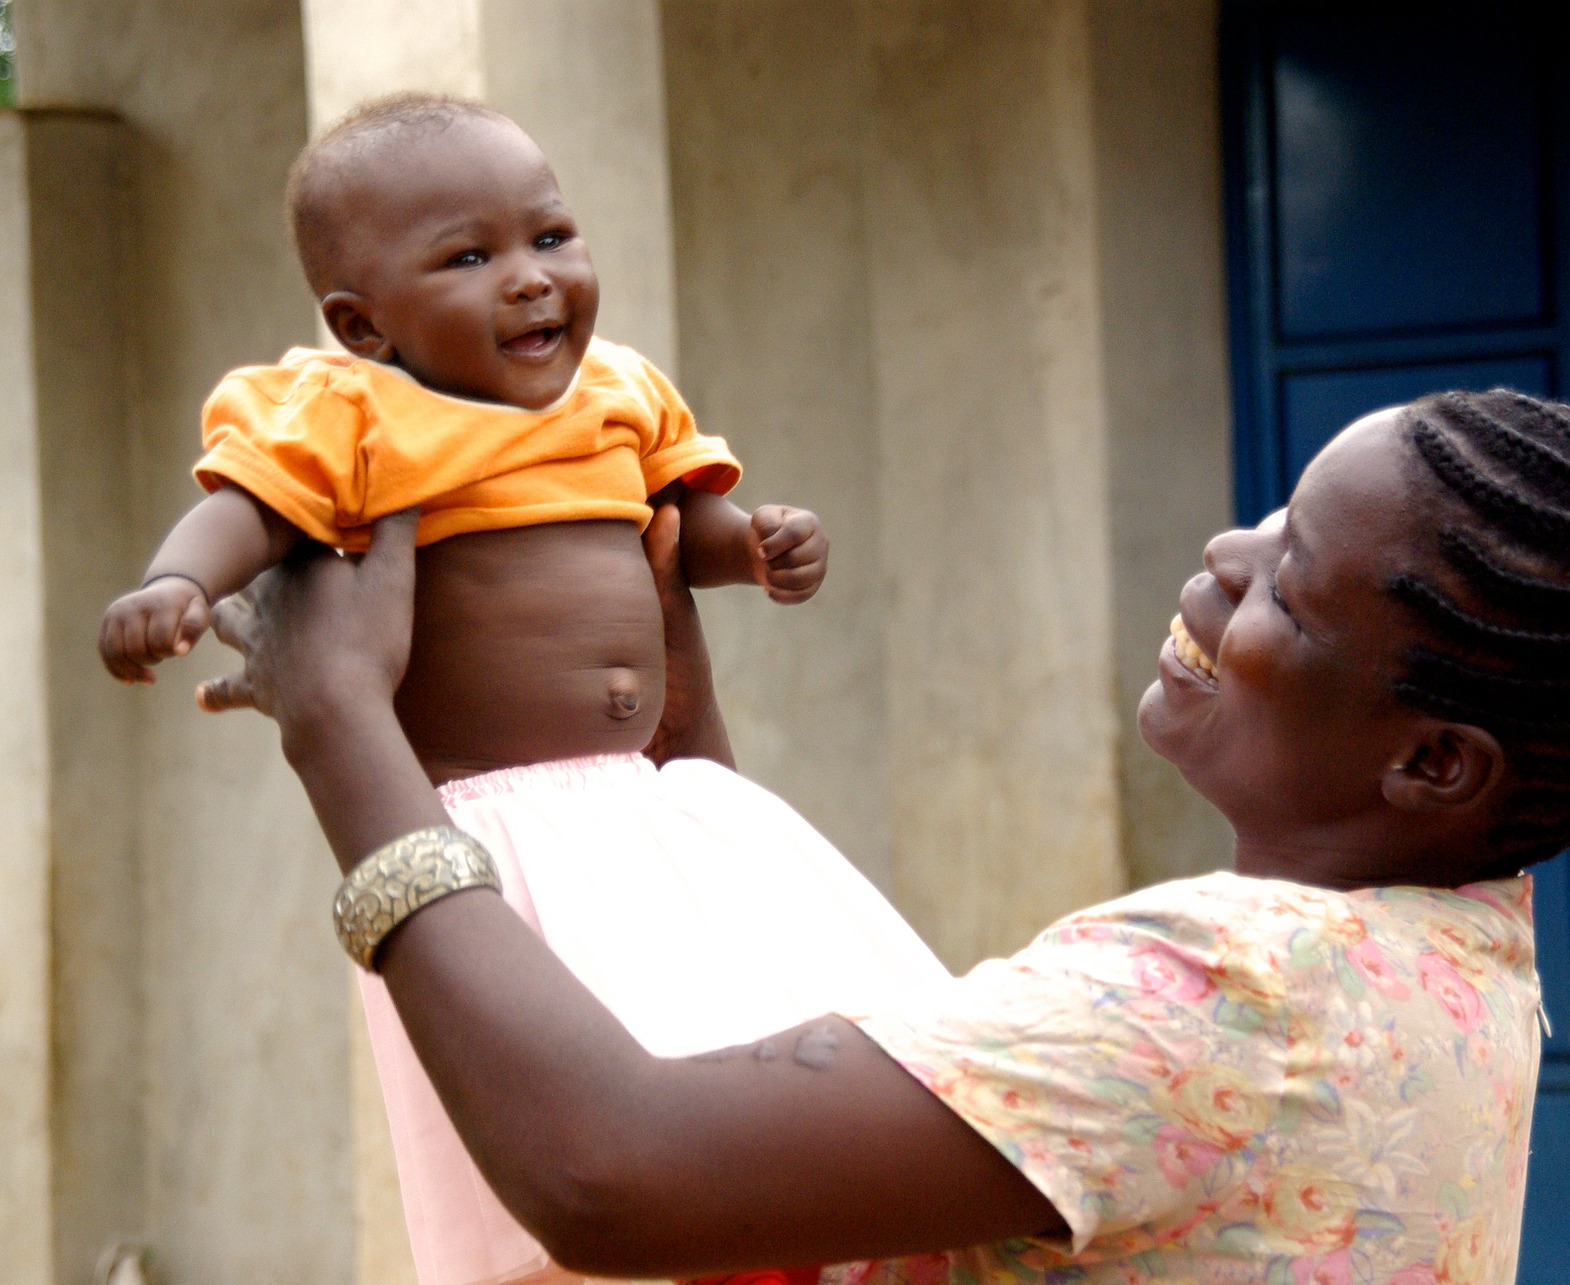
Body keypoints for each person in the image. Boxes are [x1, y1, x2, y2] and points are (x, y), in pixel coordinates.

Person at [201, 389, 1570, 1284]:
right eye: (1269, 514)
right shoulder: (1458, 964)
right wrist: (667, 715)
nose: (1221, 557)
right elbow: (775, 1084)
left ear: (1436, 761)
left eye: (1287, 583)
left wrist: (340, 720)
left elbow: (616, 1168)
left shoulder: (1225, 995)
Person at [96, 93, 947, 1285]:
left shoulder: (620, 390)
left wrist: (753, 542)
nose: (531, 279)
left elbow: (676, 525)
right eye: (468, 257)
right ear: (362, 322)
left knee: (778, 1024)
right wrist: (175, 584)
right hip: (496, 821)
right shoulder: (350, 413)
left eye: (549, 237)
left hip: (658, 798)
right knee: (602, 1057)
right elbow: (241, 505)